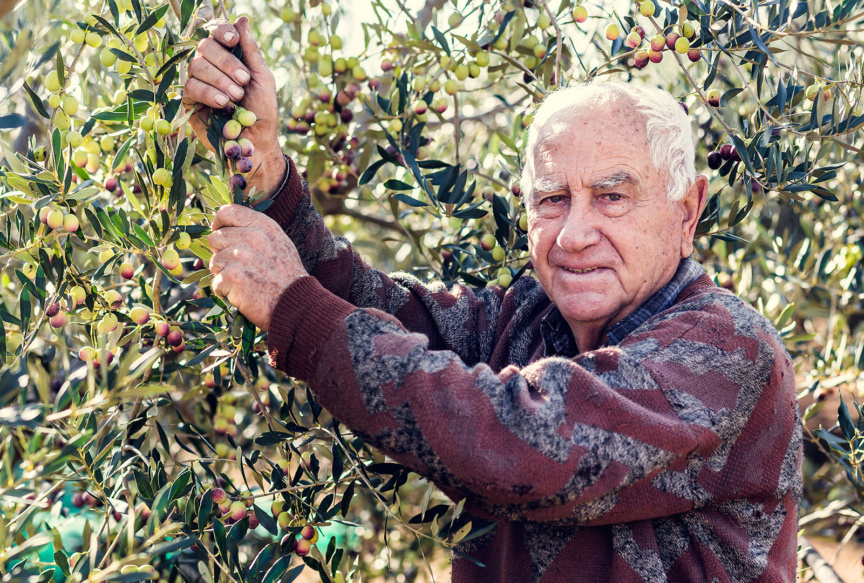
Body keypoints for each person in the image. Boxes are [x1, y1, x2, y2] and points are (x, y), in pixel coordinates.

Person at [183, 17, 802, 582]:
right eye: (551, 199)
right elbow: (379, 308)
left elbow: (519, 443)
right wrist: (262, 164)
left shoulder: (727, 351)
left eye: (613, 196)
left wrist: (293, 308)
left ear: (687, 211)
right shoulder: (526, 320)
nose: (574, 233)